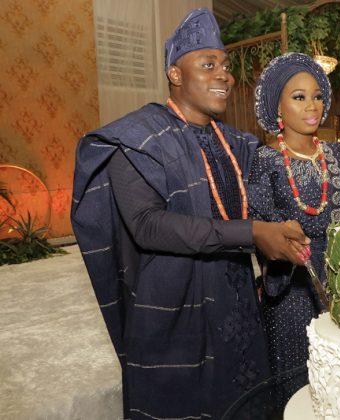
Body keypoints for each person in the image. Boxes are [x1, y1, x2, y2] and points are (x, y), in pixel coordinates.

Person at [71, 9, 310, 419]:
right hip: (173, 310)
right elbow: (148, 226)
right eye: (208, 64)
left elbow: (271, 197)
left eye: (226, 66)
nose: (224, 76)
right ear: (175, 74)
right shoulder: (138, 138)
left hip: (236, 304)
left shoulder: (237, 142)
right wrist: (252, 233)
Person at [248, 53, 340, 376]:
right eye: (299, 97)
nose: (312, 106)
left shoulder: (337, 154)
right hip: (291, 290)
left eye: (317, 97)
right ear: (278, 107)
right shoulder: (265, 160)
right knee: (298, 380)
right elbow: (261, 228)